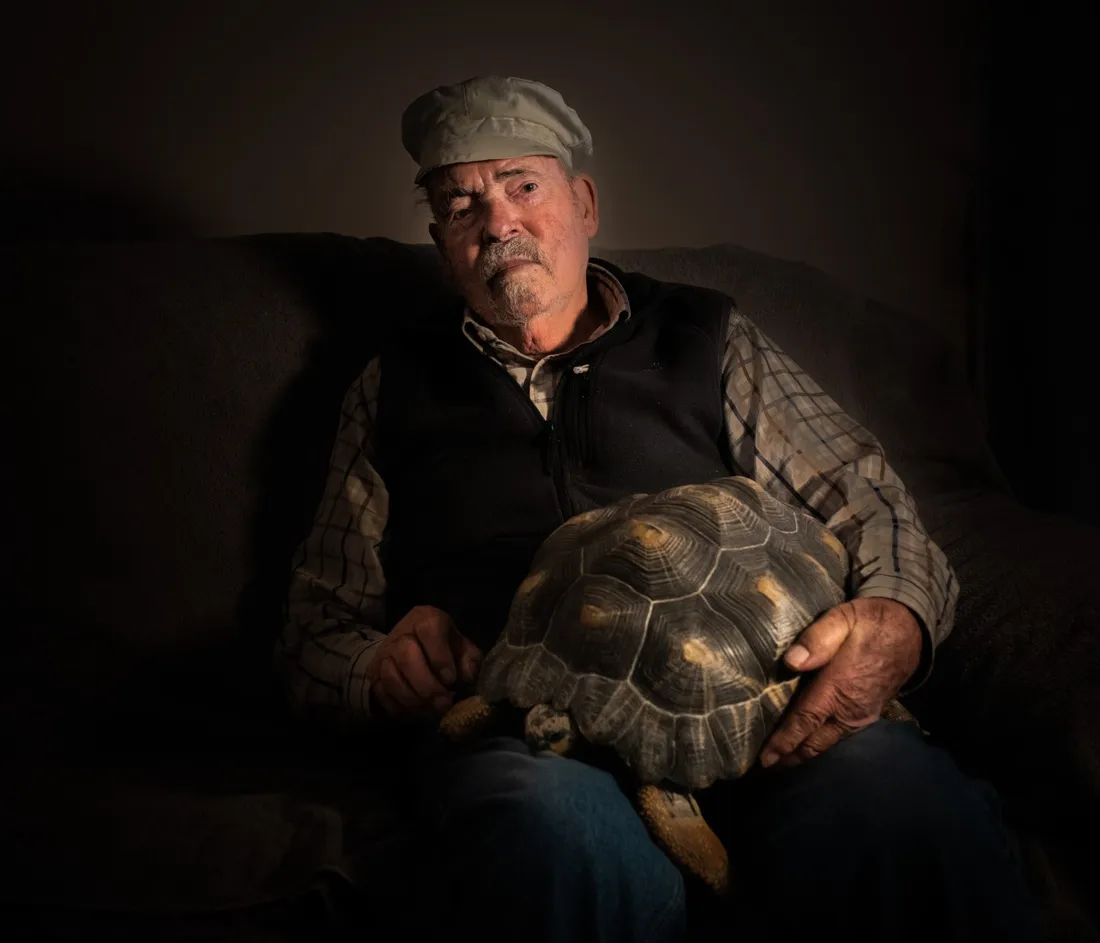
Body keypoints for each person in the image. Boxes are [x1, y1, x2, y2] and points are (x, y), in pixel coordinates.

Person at [275, 75, 1041, 942]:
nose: (498, 224)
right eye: (461, 206)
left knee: (900, 804)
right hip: (540, 736)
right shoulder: (391, 388)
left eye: (523, 185)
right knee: (548, 831)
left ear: (585, 201)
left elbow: (874, 505)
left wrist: (896, 617)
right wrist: (377, 669)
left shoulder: (705, 337)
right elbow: (313, 633)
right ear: (441, 240)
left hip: (766, 707)